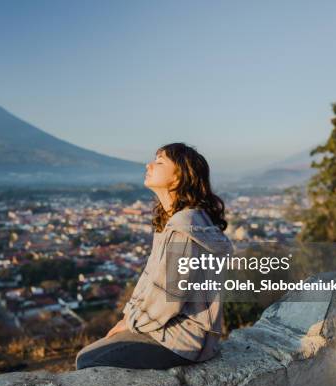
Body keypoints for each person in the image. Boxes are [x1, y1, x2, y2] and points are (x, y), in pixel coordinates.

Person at [75, 142, 233, 370]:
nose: (148, 165)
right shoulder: (185, 221)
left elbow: (169, 296)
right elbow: (153, 284)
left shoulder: (183, 228)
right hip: (190, 336)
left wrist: (132, 322)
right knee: (92, 353)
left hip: (180, 340)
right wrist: (128, 320)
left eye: (159, 162)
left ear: (178, 178)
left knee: (89, 361)